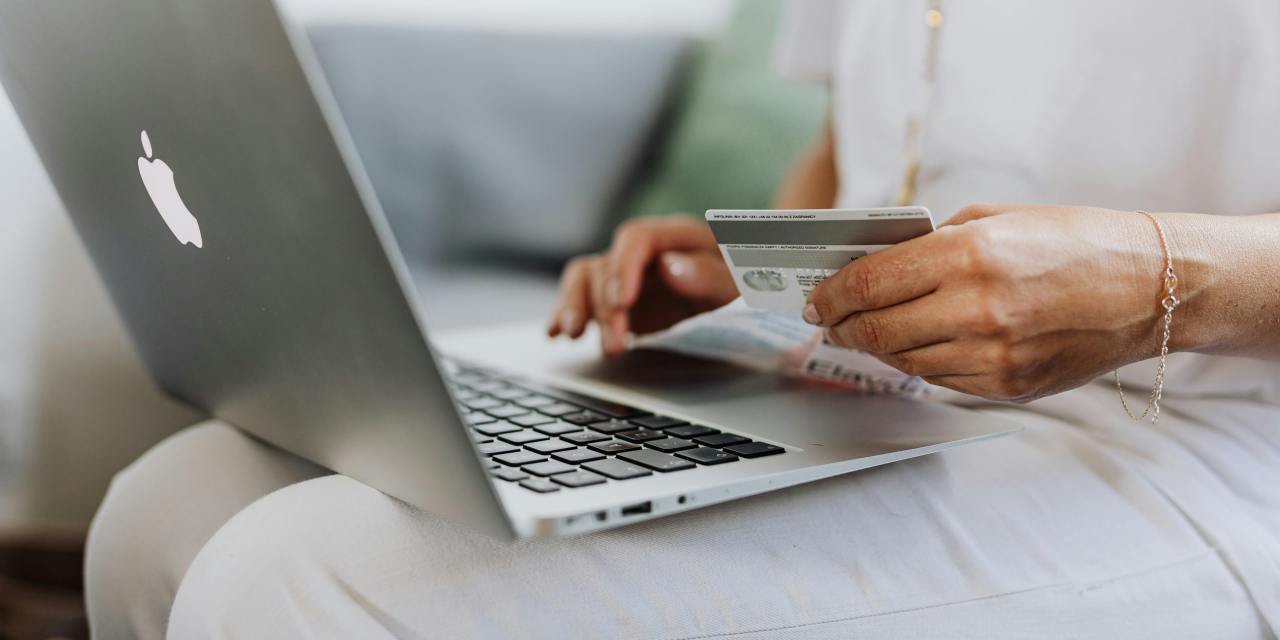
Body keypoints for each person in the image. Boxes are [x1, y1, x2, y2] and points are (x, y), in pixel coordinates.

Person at [87, 2, 1280, 638]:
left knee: (293, 584)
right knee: (171, 507)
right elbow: (845, 151)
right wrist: (764, 265)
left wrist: (1152, 276)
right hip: (874, 389)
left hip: (1179, 438)